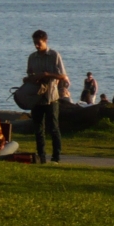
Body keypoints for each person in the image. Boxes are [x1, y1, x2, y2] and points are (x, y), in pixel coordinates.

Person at [25, 29, 67, 164]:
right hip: (36, 99)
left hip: (51, 98)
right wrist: (29, 79)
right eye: (34, 43)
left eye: (39, 43)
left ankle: (56, 157)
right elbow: (30, 75)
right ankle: (41, 157)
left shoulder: (54, 55)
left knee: (54, 128)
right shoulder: (32, 57)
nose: (36, 46)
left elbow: (63, 76)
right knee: (38, 130)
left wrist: (46, 75)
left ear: (45, 41)